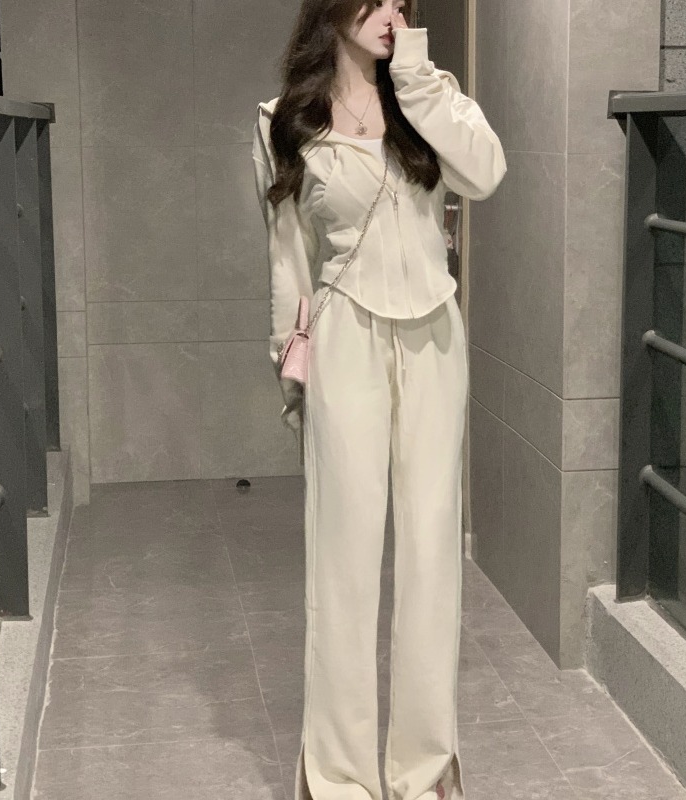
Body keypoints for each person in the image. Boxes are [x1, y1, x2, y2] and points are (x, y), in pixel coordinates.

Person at [252, 2, 505, 798]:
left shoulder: (427, 94)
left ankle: (424, 772)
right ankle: (339, 776)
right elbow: (288, 258)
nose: (393, 10)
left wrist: (417, 77)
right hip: (345, 342)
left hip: (434, 338)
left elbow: (486, 174)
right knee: (344, 561)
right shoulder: (284, 120)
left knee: (432, 556)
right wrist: (290, 367)